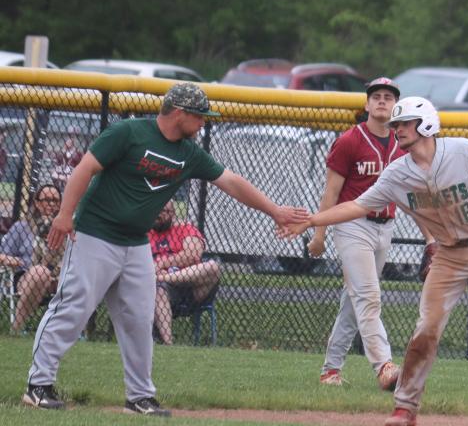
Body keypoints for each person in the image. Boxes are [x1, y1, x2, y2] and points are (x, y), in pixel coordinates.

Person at [23, 82, 309, 415]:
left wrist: (274, 210)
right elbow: (85, 168)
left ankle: (140, 396)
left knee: (139, 319)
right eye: (199, 116)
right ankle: (38, 385)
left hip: (135, 242)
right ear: (179, 112)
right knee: (73, 306)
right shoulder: (129, 133)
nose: (204, 122)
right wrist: (64, 214)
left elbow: (231, 182)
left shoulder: (188, 153)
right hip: (94, 234)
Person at [281, 97, 468, 426]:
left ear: (425, 123)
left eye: (404, 123)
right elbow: (357, 205)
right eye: (395, 125)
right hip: (448, 256)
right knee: (426, 329)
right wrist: (314, 221)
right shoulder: (397, 173)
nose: (396, 129)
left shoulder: (461, 151)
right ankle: (405, 408)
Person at [307, 77, 428, 391]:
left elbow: (412, 197)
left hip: (384, 228)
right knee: (368, 296)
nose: (382, 101)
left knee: (354, 299)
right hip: (351, 227)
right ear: (366, 104)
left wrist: (431, 236)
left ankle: (330, 369)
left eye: (389, 96)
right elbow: (331, 192)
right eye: (376, 96)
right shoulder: (350, 140)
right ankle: (384, 367)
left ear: (396, 105)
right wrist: (319, 234)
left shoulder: (402, 146)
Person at [149, 200, 220, 346]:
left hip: (188, 287)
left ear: (172, 214)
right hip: (156, 289)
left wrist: (162, 264)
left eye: (162, 211)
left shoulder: (185, 229)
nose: (157, 215)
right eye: (155, 210)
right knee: (159, 289)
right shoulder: (145, 232)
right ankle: (168, 344)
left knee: (213, 267)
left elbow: (192, 254)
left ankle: (164, 277)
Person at [0, 184, 63, 333]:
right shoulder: (22, 227)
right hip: (27, 277)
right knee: (40, 272)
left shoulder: (65, 229)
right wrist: (10, 260)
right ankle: (16, 328)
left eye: (55, 200)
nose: (51, 204)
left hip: (59, 278)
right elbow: (2, 253)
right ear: (36, 202)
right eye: (46, 199)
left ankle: (70, 331)